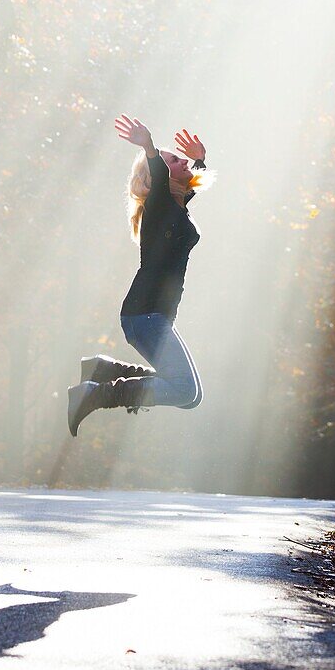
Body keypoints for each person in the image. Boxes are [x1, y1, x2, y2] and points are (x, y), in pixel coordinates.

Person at [68, 115, 213, 436]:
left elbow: (191, 187)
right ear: (158, 176)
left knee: (191, 397)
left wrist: (200, 160)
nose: (184, 161)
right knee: (183, 391)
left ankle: (104, 371)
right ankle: (95, 393)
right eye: (177, 160)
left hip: (153, 316)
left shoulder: (176, 207)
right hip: (145, 314)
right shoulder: (159, 204)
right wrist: (149, 147)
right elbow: (160, 174)